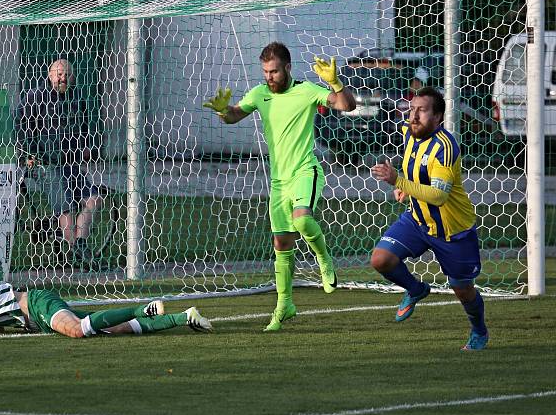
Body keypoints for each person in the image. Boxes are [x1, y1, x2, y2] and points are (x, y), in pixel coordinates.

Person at [203, 42, 357, 332]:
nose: (269, 77)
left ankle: (324, 260)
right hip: (278, 182)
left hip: (305, 171)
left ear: (287, 68)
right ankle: (284, 305)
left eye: (274, 71)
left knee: (302, 219)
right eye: (265, 72)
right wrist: (222, 111)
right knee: (280, 244)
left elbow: (347, 106)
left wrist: (334, 82)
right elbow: (235, 115)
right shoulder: (260, 93)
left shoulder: (307, 90)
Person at [370, 86, 488, 351]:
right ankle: (415, 289)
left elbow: (437, 196)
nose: (413, 116)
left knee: (462, 289)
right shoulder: (410, 133)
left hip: (452, 230)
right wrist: (404, 183)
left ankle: (479, 330)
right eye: (412, 109)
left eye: (421, 111)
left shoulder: (445, 147)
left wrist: (398, 180)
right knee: (381, 259)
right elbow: (413, 165)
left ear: (438, 117)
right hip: (417, 220)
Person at [0, 261, 213, 337]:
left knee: (79, 330)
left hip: (37, 304)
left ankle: (143, 307)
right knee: (118, 330)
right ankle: (184, 317)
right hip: (32, 317)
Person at [16, 58, 103, 269]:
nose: (63, 78)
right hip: (43, 165)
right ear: (50, 75)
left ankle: (80, 245)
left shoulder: (78, 98)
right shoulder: (33, 98)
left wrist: (88, 146)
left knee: (94, 199)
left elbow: (86, 128)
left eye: (67, 74)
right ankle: (78, 252)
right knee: (66, 207)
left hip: (70, 164)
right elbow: (20, 129)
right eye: (59, 74)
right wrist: (29, 154)